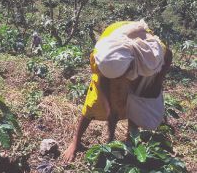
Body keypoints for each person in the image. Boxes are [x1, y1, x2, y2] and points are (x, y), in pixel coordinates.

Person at [64, 20, 172, 162]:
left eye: (121, 77)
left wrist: (156, 84)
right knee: (94, 103)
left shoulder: (152, 55)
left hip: (136, 58)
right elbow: (101, 83)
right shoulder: (102, 57)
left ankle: (130, 141)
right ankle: (77, 141)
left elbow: (167, 57)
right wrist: (108, 107)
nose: (119, 82)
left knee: (135, 101)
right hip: (115, 55)